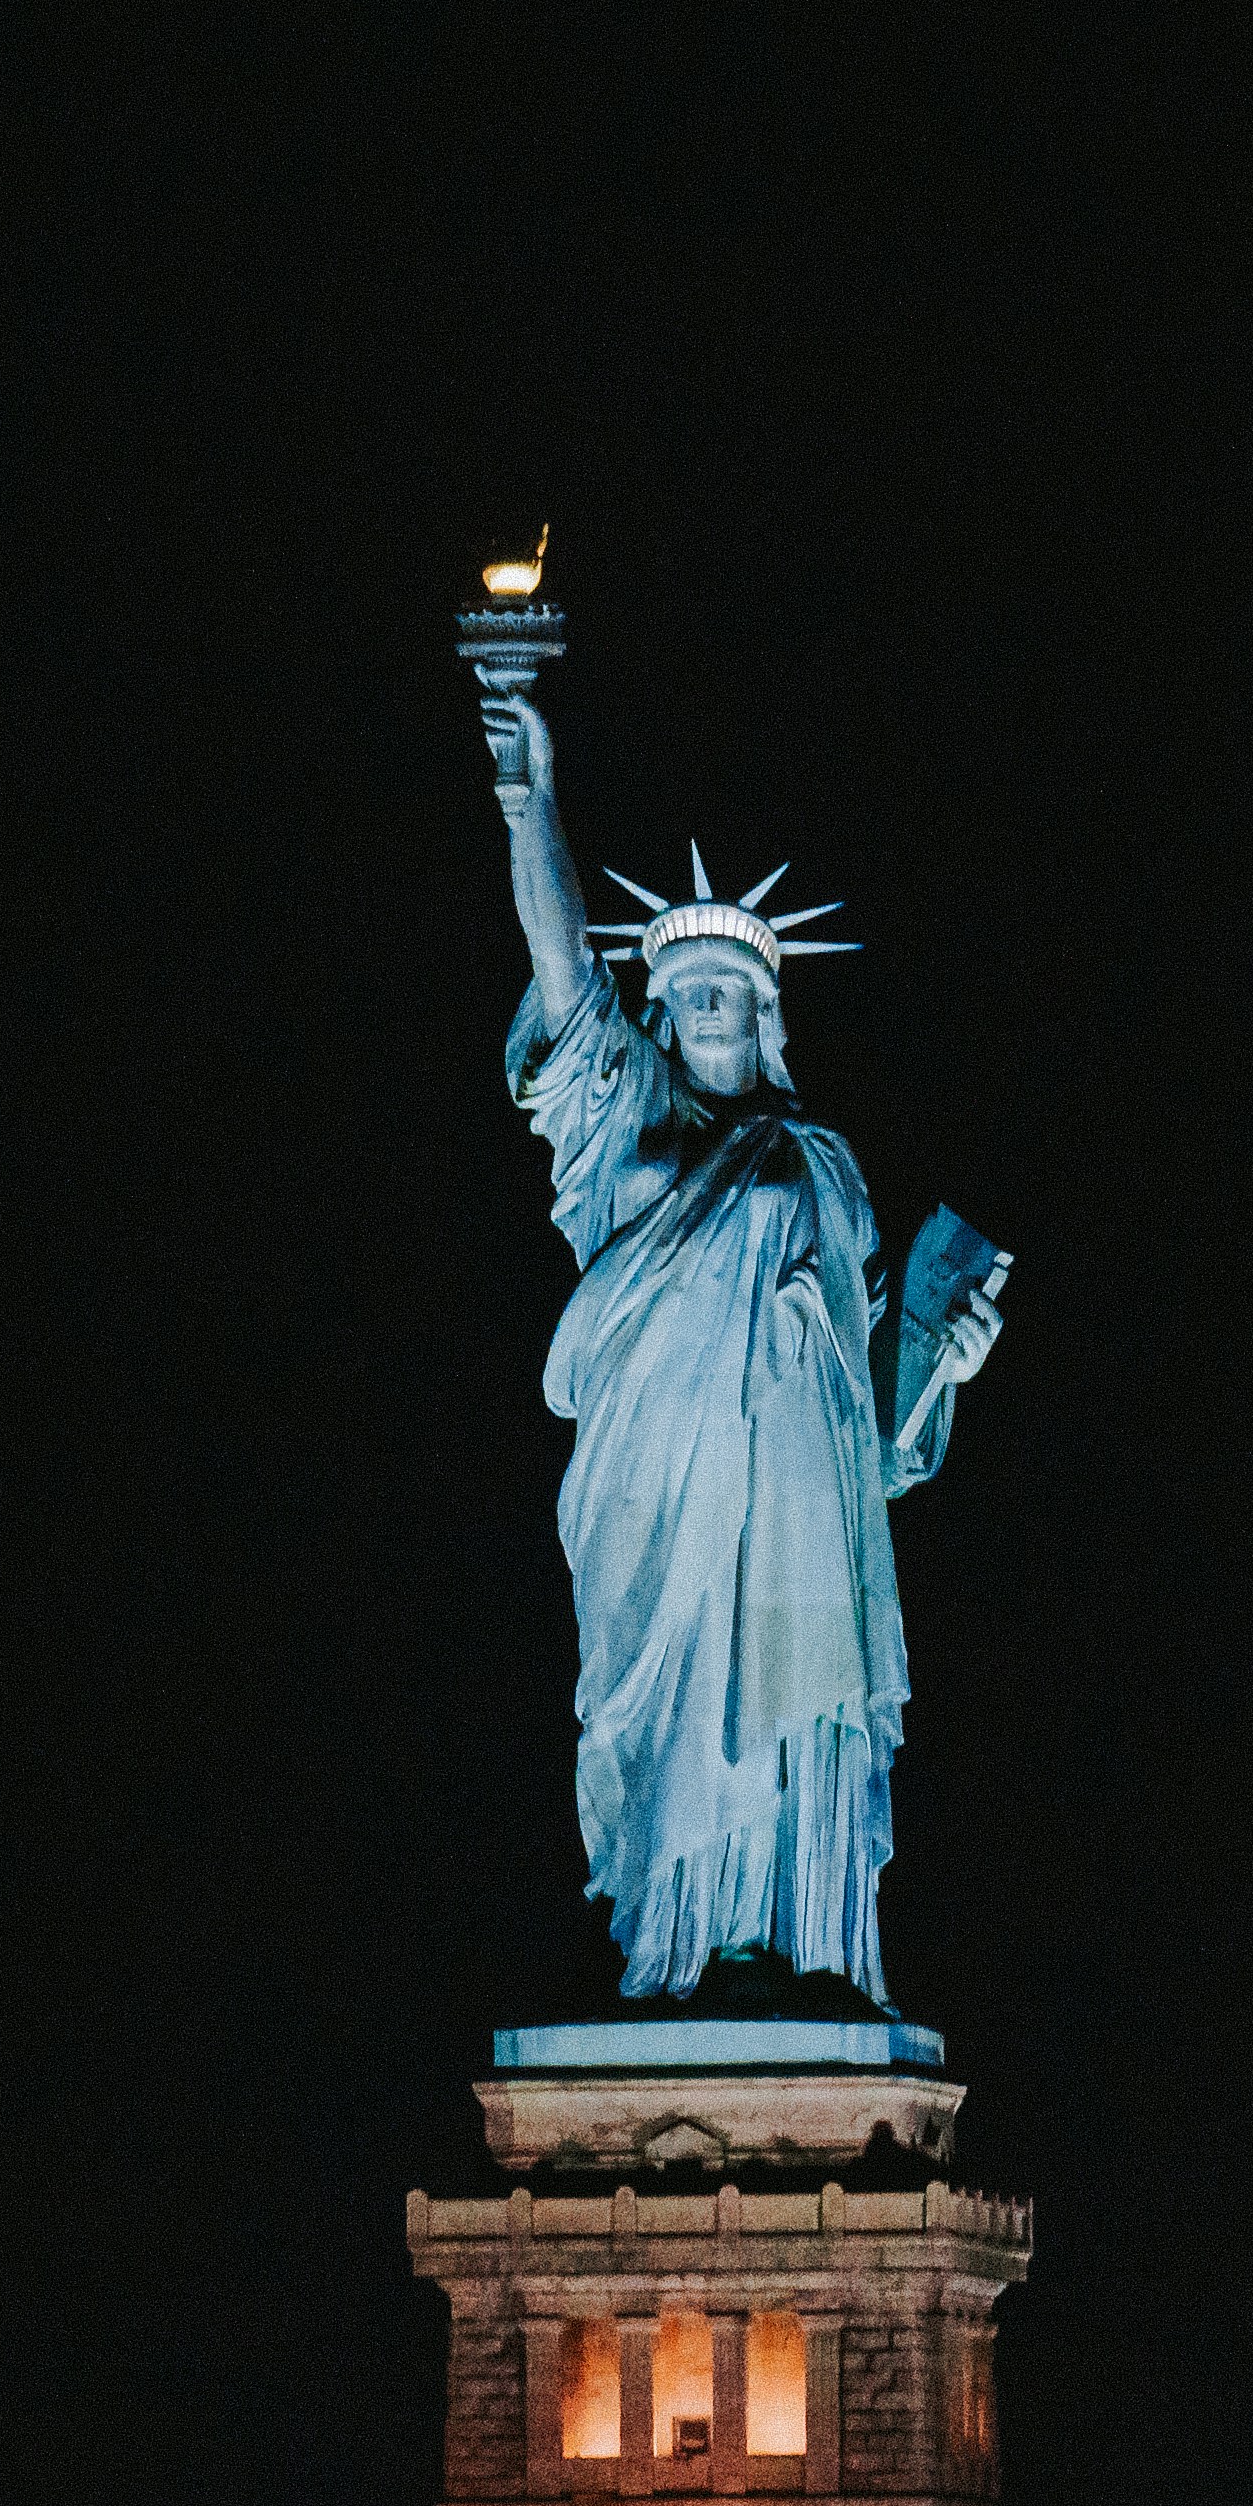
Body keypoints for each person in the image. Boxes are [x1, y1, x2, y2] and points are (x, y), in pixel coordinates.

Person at [480, 667, 1010, 2000]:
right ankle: (678, 1950)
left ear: (768, 1014)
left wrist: (940, 1364)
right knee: (674, 1730)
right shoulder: (627, 1129)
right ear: (660, 1015)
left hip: (800, 1515)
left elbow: (871, 1415)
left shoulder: (823, 1166)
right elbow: (561, 969)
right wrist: (529, 796)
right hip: (664, 1501)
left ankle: (799, 1943)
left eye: (735, 989)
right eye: (688, 992)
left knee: (795, 1712)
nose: (712, 1008)